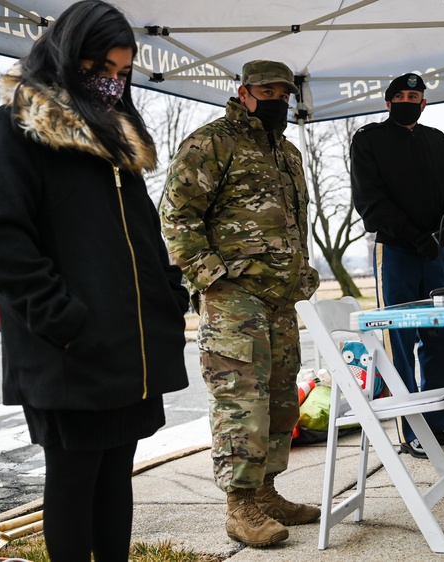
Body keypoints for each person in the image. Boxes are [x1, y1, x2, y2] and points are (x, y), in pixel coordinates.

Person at [0, 2, 190, 560]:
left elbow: (142, 232)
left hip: (124, 346)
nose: (114, 84)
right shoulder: (17, 130)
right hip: (69, 350)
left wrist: (167, 291)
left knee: (116, 474)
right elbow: (1, 240)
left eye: (123, 73)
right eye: (102, 70)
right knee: (73, 480)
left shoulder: (115, 140)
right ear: (69, 58)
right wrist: (63, 320)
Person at [159, 60, 321, 548]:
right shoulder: (211, 143)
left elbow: (293, 222)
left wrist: (301, 273)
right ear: (243, 92)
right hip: (234, 298)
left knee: (279, 400)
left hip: (280, 299)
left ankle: (266, 492)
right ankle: (239, 506)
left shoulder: (288, 153)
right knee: (241, 402)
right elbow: (176, 215)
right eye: (267, 91)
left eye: (284, 93)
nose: (277, 100)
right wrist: (212, 277)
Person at [350, 72, 444, 459]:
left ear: (423, 103)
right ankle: (411, 431)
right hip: (396, 251)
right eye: (398, 95)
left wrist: (442, 234)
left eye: (413, 95)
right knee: (397, 340)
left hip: (435, 252)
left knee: (442, 338)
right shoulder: (368, 140)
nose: (406, 100)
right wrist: (413, 235)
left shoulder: (437, 140)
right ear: (387, 103)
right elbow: (370, 200)